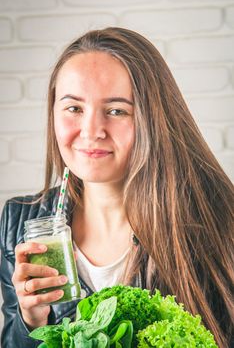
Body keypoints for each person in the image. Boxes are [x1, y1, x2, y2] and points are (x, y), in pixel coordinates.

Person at [0, 27, 233, 348]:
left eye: (116, 110)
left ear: (153, 118)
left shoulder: (214, 219)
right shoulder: (19, 222)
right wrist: (31, 321)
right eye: (74, 108)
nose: (91, 131)